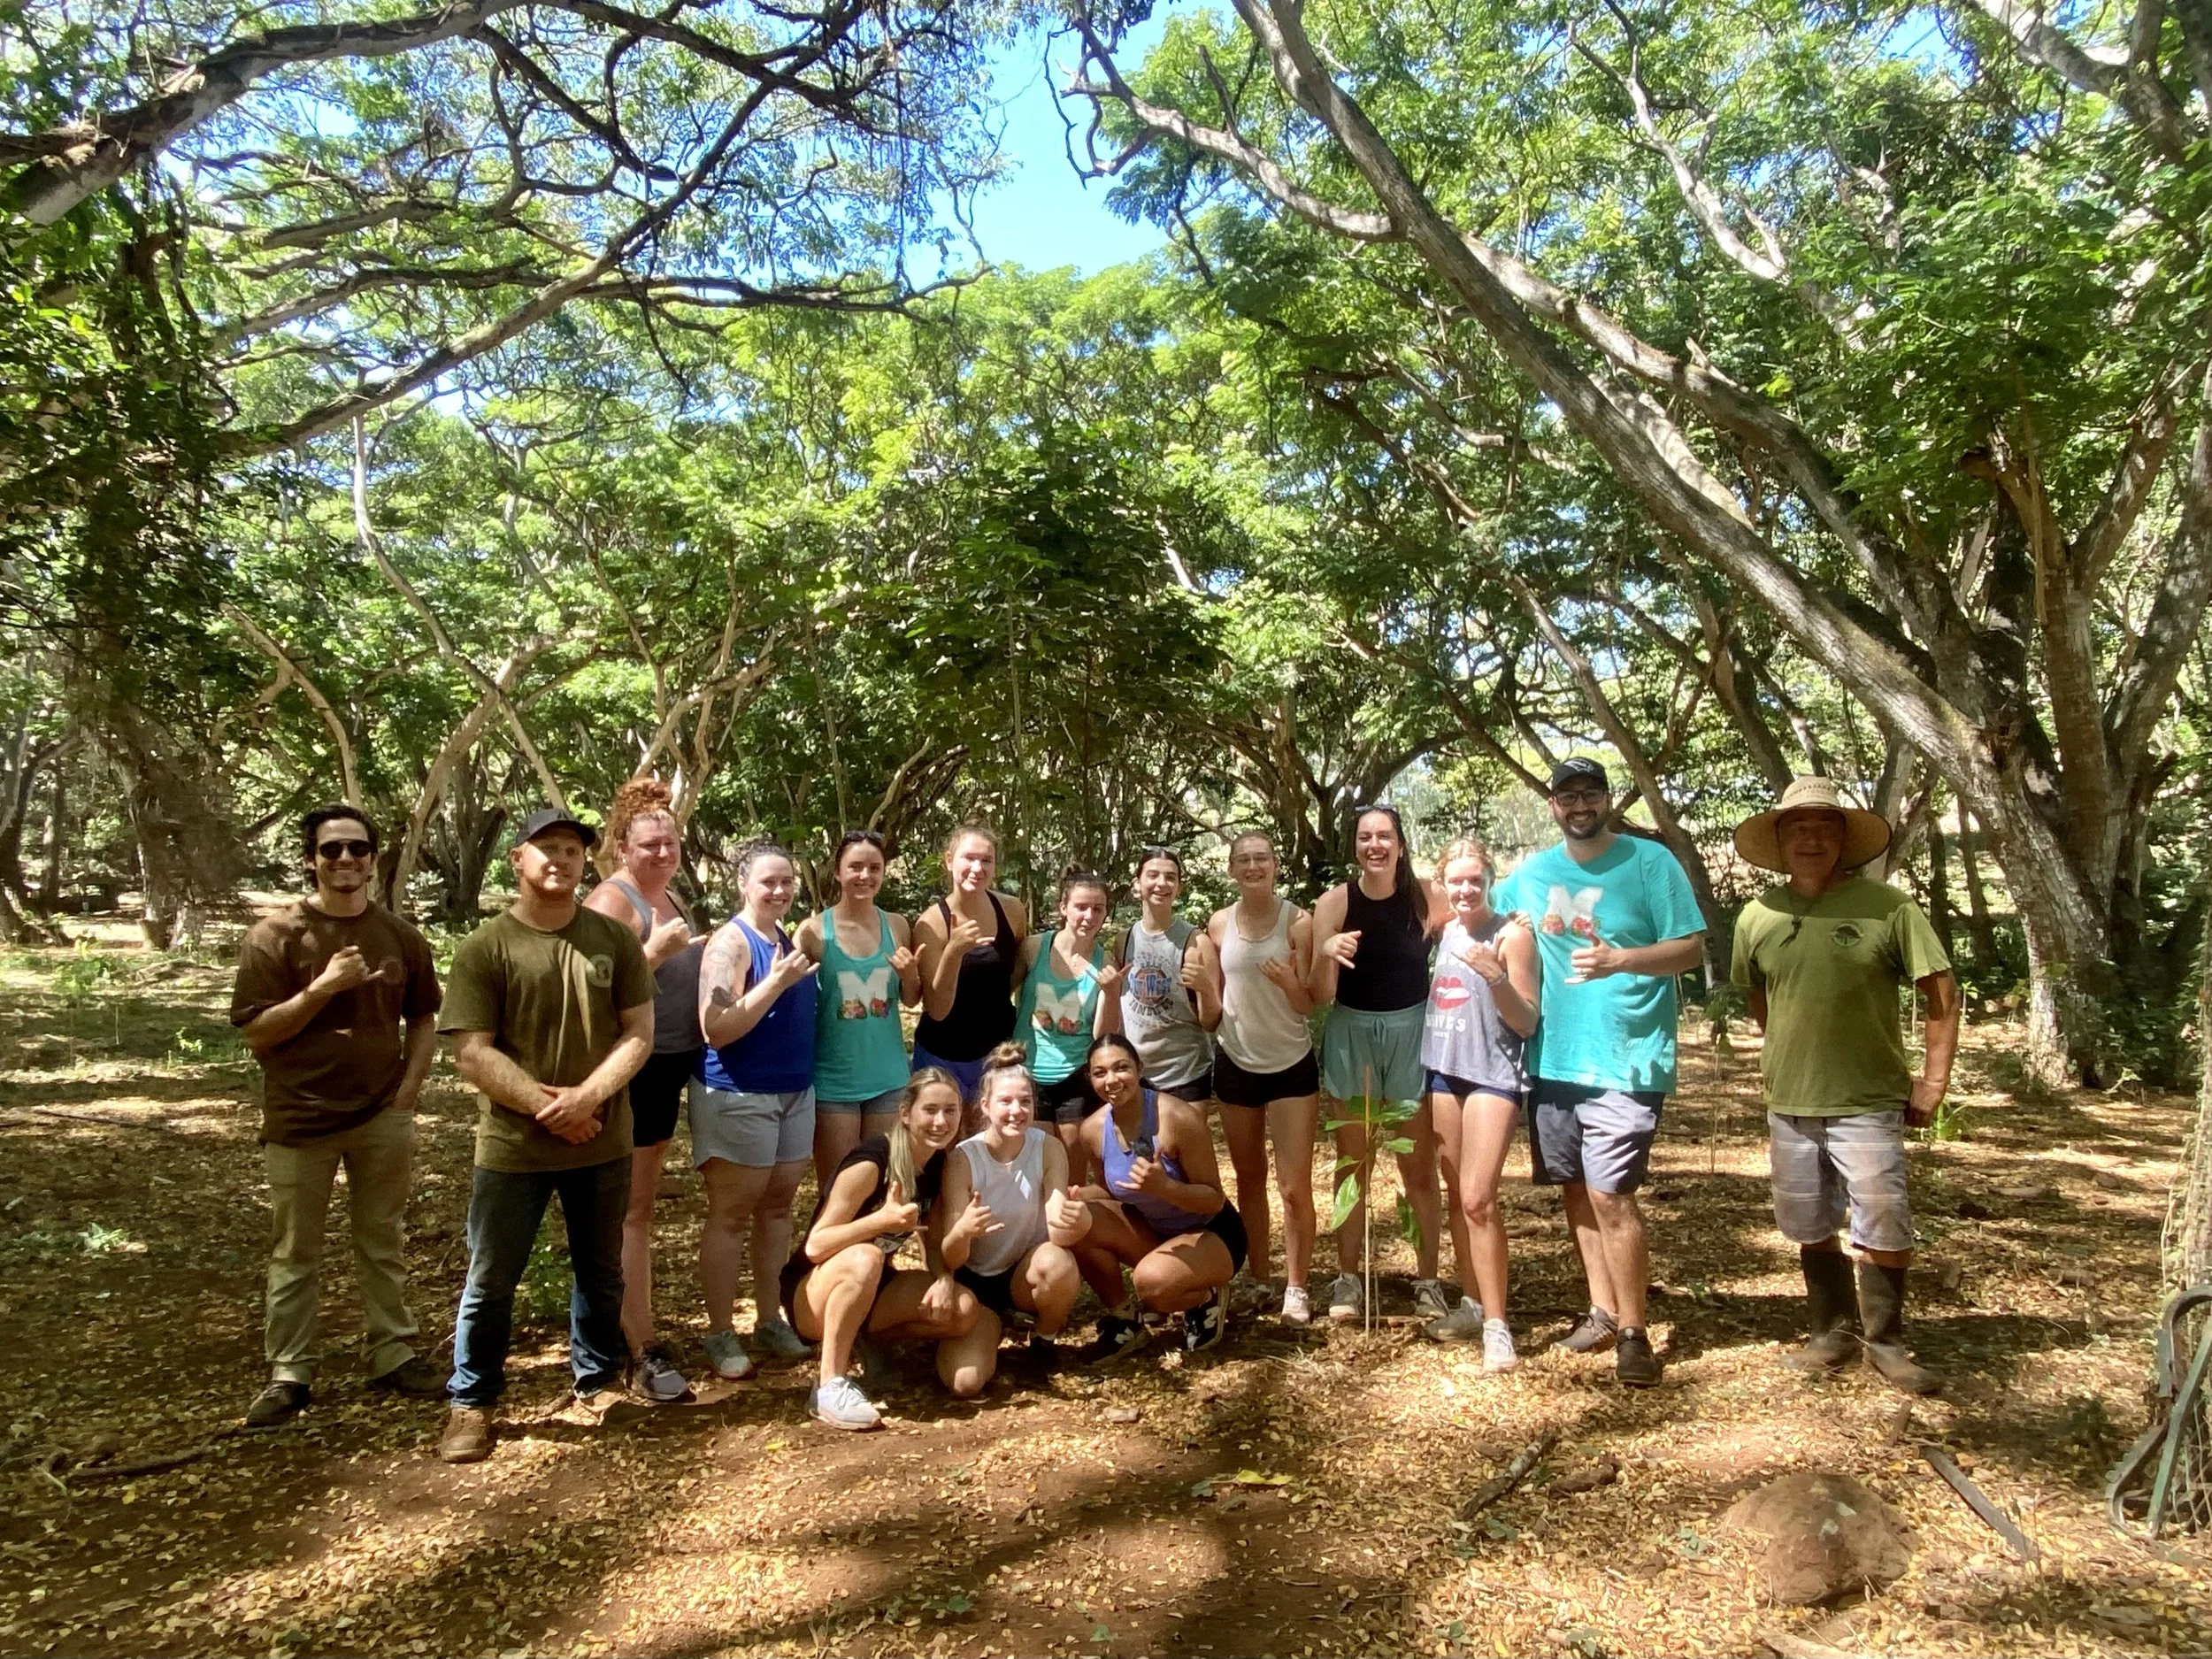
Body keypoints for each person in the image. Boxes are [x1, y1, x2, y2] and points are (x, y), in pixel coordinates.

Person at [437, 806, 655, 1463]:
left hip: (603, 1140)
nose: (560, 860)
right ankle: (472, 1400)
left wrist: (588, 1097)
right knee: (491, 1278)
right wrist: (548, 1106)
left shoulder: (613, 939)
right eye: (546, 848)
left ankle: (598, 1380)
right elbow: (471, 1051)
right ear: (517, 859)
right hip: (514, 1149)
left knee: (601, 1269)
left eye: (572, 850)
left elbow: (639, 1032)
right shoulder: (486, 947)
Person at [1731, 776, 1959, 1394]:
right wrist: (1788, 1046)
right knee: (1808, 1219)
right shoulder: (1757, 915)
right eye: (1798, 828)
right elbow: (1758, 992)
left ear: (1844, 839)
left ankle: (1886, 1343)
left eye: (1824, 827)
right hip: (1791, 1098)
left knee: (1883, 1216)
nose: (1811, 839)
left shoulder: (1889, 908)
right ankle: (1829, 1333)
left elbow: (1941, 991)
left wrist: (1933, 1080)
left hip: (1868, 1097)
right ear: (1780, 840)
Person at [230, 807, 444, 1429]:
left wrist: (408, 1091)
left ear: (373, 860)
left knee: (383, 1238)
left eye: (357, 848)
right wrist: (322, 987)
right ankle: (289, 1373)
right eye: (331, 850)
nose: (345, 859)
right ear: (311, 860)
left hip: (381, 1115)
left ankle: (392, 1353)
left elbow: (424, 1017)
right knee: (295, 1250)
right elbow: (257, 1032)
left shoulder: (400, 936)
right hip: (300, 1119)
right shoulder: (275, 936)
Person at [1494, 757, 1704, 1388]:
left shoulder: (1649, 862)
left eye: (1590, 793)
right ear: (1553, 806)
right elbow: (1473, 905)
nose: (1579, 805)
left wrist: (1622, 960)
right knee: (1577, 1190)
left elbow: (1691, 948)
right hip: (1554, 1058)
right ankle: (1603, 1312)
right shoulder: (1532, 873)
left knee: (1613, 1195)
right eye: (1568, 797)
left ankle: (1635, 1333)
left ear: (1608, 799)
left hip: (1625, 1057)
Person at [1307, 803, 1451, 1325]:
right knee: (1353, 1163)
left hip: (1413, 1031)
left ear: (1400, 844)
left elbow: (1467, 944)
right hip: (1352, 1032)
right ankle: (1348, 1278)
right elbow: (1319, 995)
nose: (1375, 845)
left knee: (1418, 1165)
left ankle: (1428, 1281)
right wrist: (1326, 952)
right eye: (1365, 837)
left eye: (1384, 836)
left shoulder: (1428, 896)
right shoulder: (1335, 902)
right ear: (1355, 847)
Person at [581, 777, 700, 1405]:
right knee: (629, 1210)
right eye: (649, 844)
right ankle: (636, 1346)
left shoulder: (671, 894)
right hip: (632, 1071)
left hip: (674, 1065)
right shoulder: (611, 902)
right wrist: (652, 952)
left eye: (669, 842)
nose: (662, 852)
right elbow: (591, 998)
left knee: (641, 1208)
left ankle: (626, 1330)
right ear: (622, 847)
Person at [781, 1070, 983, 1429]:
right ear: (905, 1113)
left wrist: (943, 1278)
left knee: (962, 1309)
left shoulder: (936, 1164)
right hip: (812, 1291)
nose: (941, 1121)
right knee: (867, 1256)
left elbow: (933, 1240)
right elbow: (816, 1244)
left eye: (950, 1111)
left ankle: (864, 1339)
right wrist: (880, 1221)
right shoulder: (872, 1162)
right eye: (930, 1110)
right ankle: (829, 1386)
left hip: (872, 1284)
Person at [694, 839, 819, 1380]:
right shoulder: (731, 943)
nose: (779, 890)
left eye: (787, 881)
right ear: (743, 885)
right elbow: (716, 1029)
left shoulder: (784, 937)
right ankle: (721, 1332)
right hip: (740, 1095)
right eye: (768, 881)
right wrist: (777, 981)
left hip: (794, 1093)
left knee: (777, 1210)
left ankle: (770, 1319)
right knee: (731, 1214)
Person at [1420, 839, 1539, 1371]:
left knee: (1478, 1200)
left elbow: (1526, 1021)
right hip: (1444, 1071)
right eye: (1457, 881)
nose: (1466, 889)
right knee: (1456, 1196)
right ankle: (1471, 1303)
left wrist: (1495, 977)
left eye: (1476, 880)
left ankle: (1497, 1326)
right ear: (1443, 884)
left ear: (1492, 881)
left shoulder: (1513, 935)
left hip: (1493, 1075)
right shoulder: (1444, 929)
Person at [1206, 832, 1322, 1324]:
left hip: (1290, 1063)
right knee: (1249, 1178)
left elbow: (1308, 1003)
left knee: (1294, 1186)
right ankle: (1259, 1278)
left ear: (1276, 865)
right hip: (1236, 1061)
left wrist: (1290, 982)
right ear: (1232, 869)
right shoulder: (1218, 925)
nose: (1253, 867)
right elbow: (1212, 1001)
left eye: (1262, 859)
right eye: (1244, 860)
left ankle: (1296, 1286)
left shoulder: (1299, 922)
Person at [1072, 1033, 1246, 1360]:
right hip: (1154, 1231)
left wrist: (1165, 1187)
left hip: (1211, 1233)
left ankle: (1205, 1297)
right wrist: (1078, 1196)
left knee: (1152, 1285)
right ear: (1090, 1079)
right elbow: (1111, 1190)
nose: (1112, 1080)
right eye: (1100, 1073)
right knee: (1077, 1223)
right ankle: (1125, 1322)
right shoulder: (1092, 1130)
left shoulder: (1177, 1118)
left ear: (1139, 1069)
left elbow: (1214, 1198)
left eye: (1121, 1068)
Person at [936, 1045, 1090, 1393]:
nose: (1016, 1111)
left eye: (1025, 1102)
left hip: (1023, 1273)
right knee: (964, 1384)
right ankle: (987, 1326)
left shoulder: (1048, 1147)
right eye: (1005, 1102)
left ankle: (1043, 1342)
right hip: (975, 1283)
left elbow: (1058, 1233)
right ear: (985, 1106)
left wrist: (1079, 1222)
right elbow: (951, 1257)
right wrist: (963, 1231)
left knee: (1058, 1264)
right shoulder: (963, 1159)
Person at [798, 829, 923, 1191]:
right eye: (855, 867)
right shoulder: (813, 932)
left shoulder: (897, 926)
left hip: (888, 1079)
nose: (865, 876)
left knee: (882, 1186)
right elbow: (795, 1005)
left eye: (874, 868)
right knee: (836, 1188)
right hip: (833, 1081)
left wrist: (910, 975)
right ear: (838, 872)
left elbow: (911, 999)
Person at [1016, 868, 1125, 1184]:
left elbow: (1102, 1035)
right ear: (1063, 907)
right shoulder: (1034, 948)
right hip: (1029, 1072)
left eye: (1098, 909)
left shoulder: (1106, 963)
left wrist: (1111, 993)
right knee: (1032, 1170)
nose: (1089, 917)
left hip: (1076, 1076)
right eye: (1081, 907)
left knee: (1071, 1173)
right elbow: (999, 996)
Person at [911, 825, 1029, 1101]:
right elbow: (936, 1009)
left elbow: (1015, 973)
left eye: (986, 860)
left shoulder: (1012, 910)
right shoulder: (931, 924)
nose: (978, 868)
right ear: (949, 860)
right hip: (942, 1056)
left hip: (997, 1054)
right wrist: (954, 952)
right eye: (969, 858)